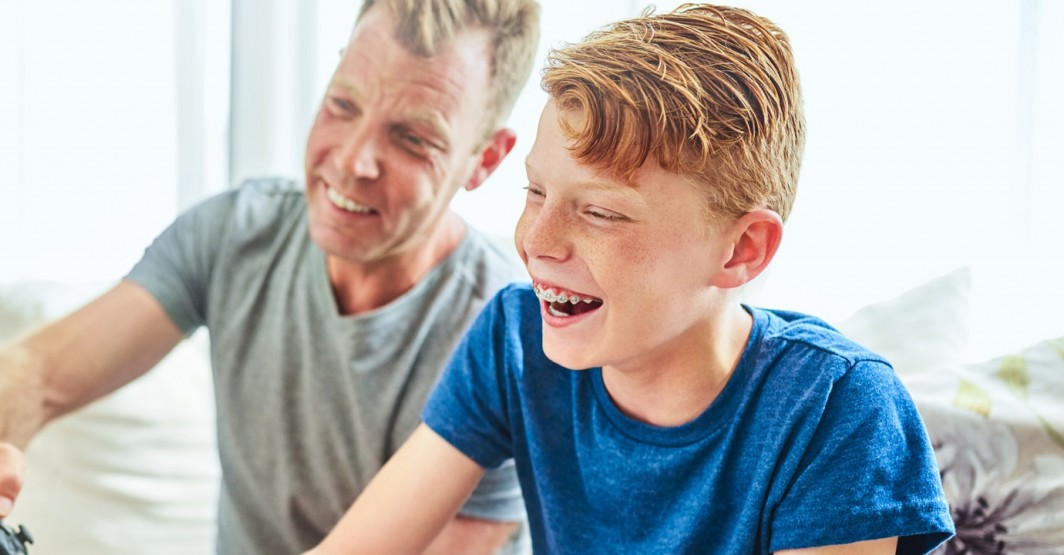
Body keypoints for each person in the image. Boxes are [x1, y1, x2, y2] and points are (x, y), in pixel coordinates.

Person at [0, 1, 542, 554]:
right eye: (343, 104)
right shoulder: (236, 235)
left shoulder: (508, 336)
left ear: (485, 157)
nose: (353, 159)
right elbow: (34, 370)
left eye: (412, 138)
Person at [306, 4, 956, 554]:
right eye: (535, 191)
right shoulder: (515, 338)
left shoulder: (837, 411)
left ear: (741, 249)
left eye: (600, 212)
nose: (535, 241)